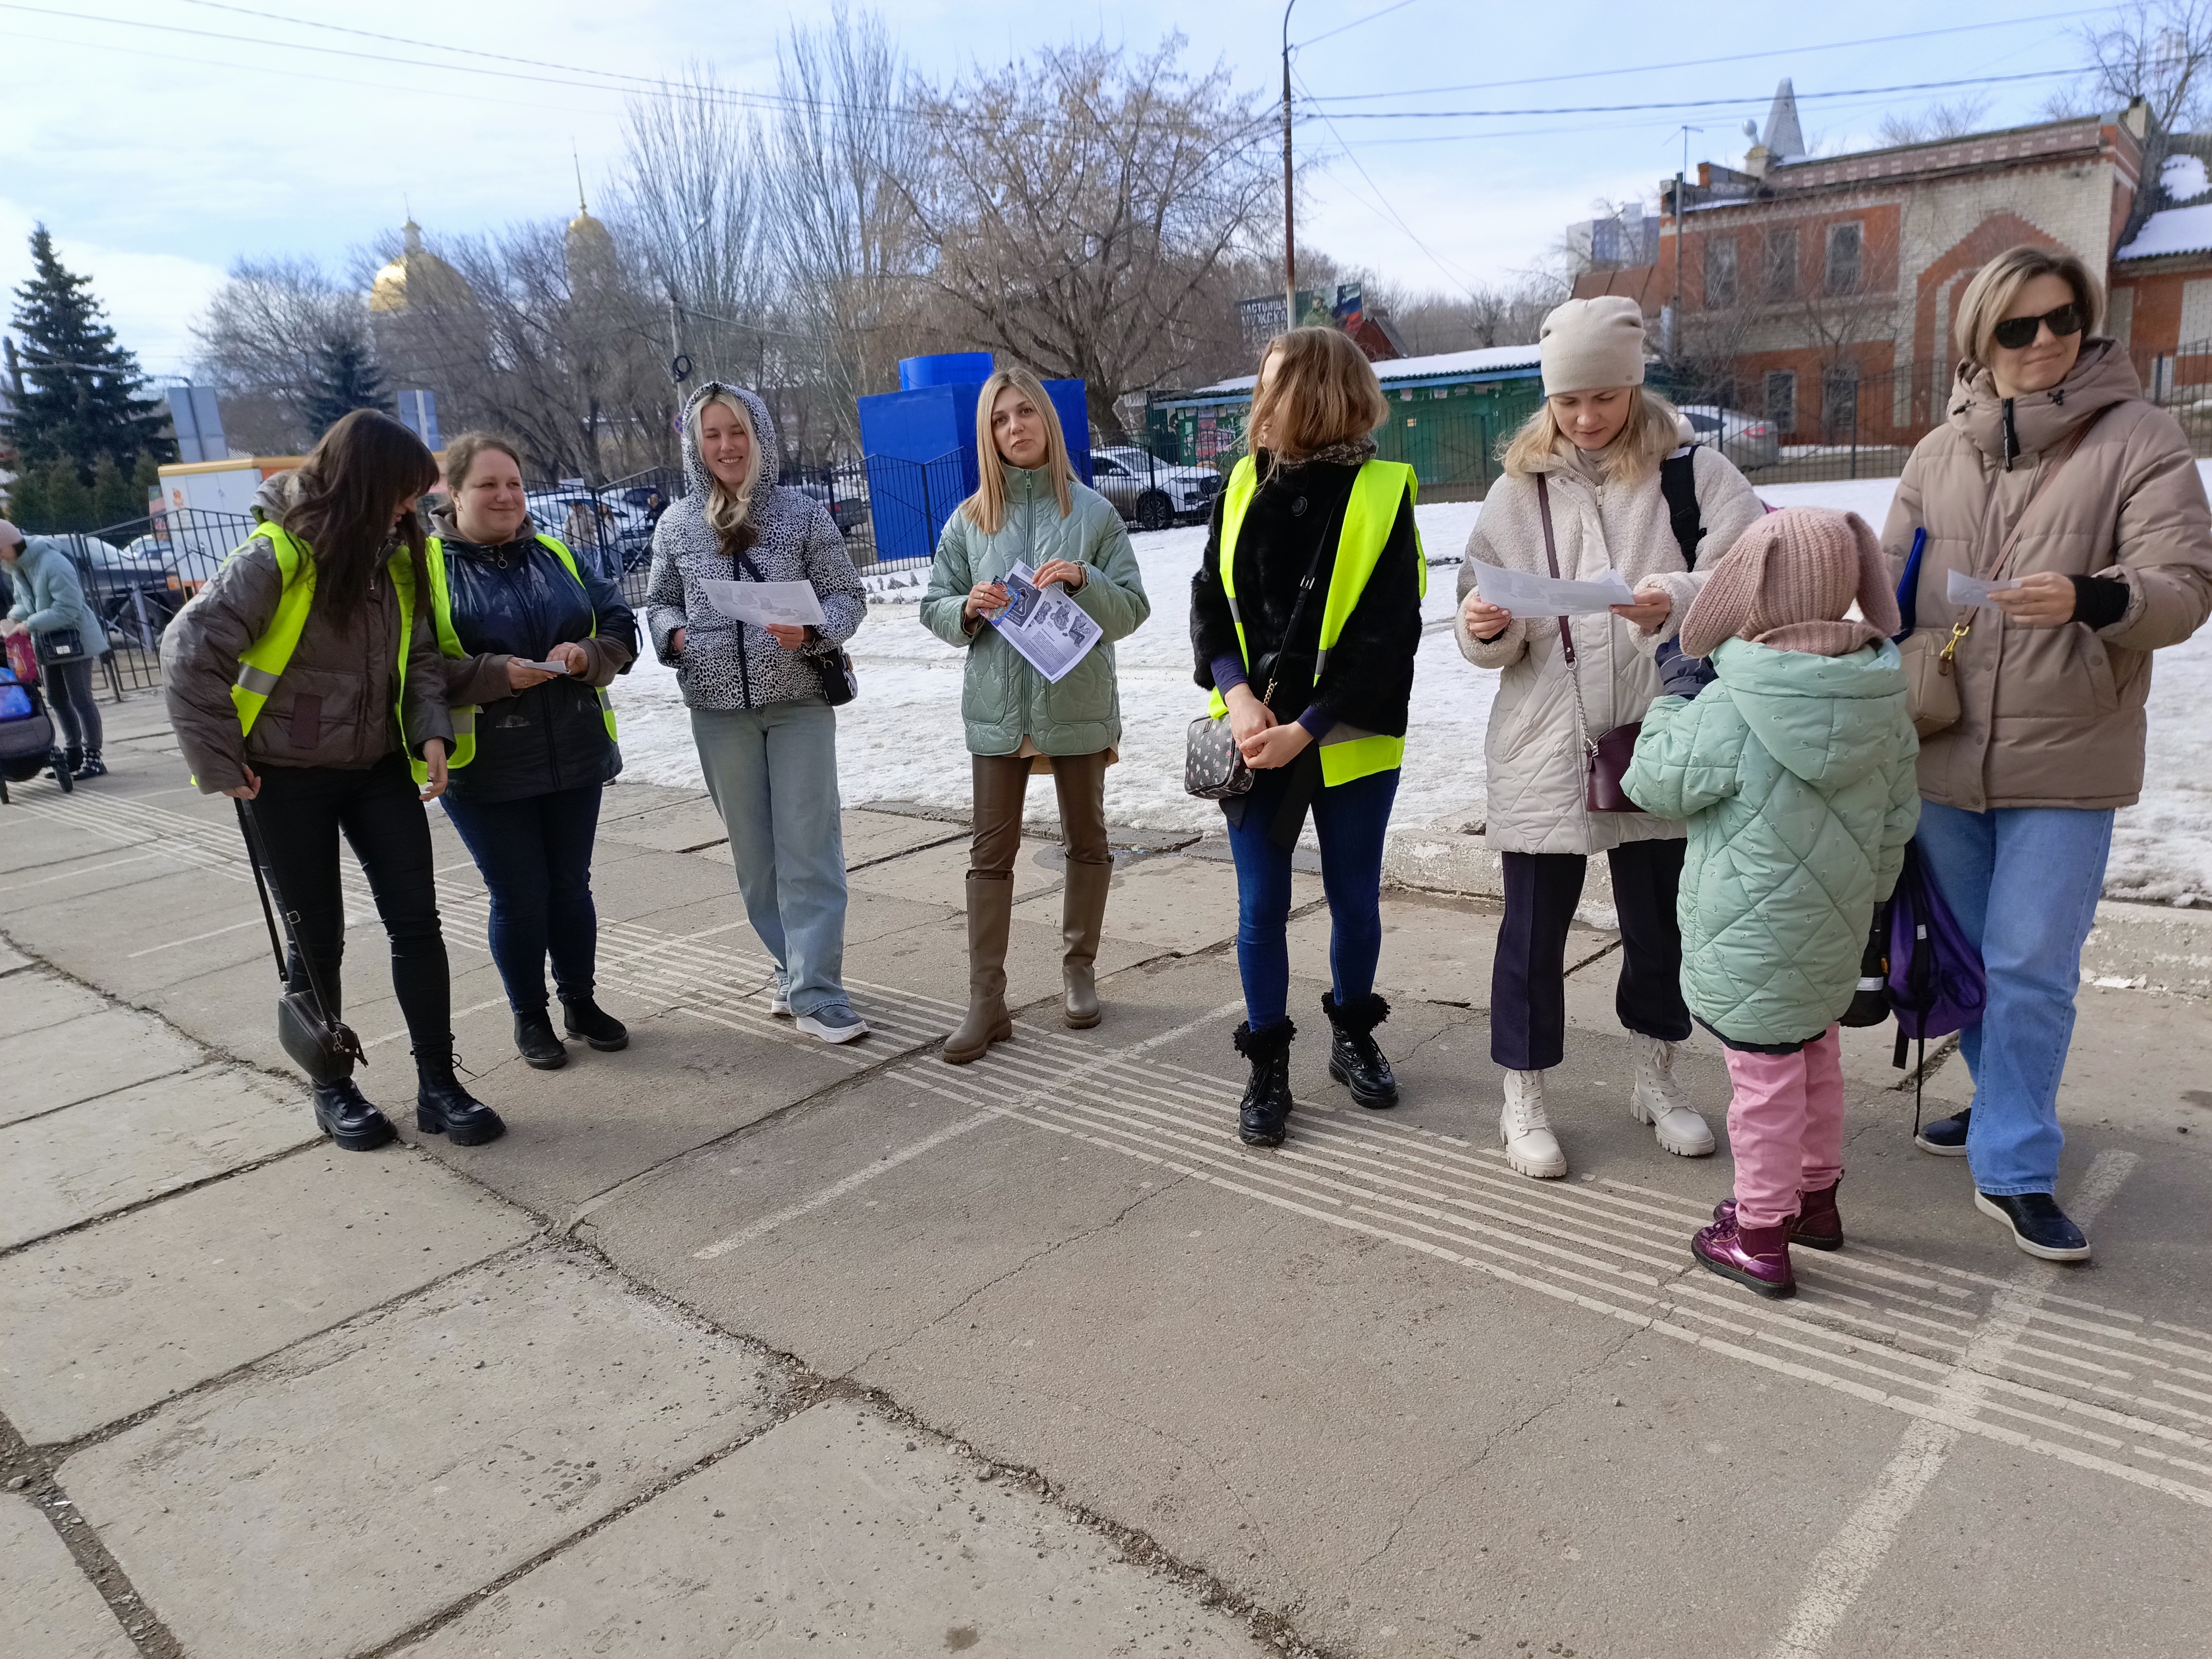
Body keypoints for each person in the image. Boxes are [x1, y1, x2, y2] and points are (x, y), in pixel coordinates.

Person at [1883, 245, 2212, 1261]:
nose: (2044, 343)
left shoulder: (2140, 437)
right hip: (1944, 746)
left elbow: (2184, 586)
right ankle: (2001, 1109)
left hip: (2068, 752)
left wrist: (2095, 596)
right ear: (1981, 337)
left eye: (2062, 319)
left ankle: (2017, 1164)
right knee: (1975, 963)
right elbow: (1885, 586)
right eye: (2018, 327)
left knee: (2032, 962)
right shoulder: (1938, 454)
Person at [1456, 296, 1765, 1180]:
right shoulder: (1515, 488)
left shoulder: (1691, 474)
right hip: (1542, 740)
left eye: (1603, 396)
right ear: (1545, 400)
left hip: (1661, 732)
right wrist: (1483, 622)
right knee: (1530, 934)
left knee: (1660, 924)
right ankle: (1522, 1095)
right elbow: (1480, 623)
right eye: (1567, 401)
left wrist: (1673, 593)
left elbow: (1759, 576)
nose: (1585, 418)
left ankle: (1655, 1079)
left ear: (1635, 384)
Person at [162, 409, 503, 1151]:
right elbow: (189, 650)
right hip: (282, 778)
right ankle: (332, 1086)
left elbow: (418, 658)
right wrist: (222, 763)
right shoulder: (276, 553)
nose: (412, 508)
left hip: (378, 766)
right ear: (363, 485)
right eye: (402, 493)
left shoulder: (399, 554)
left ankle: (439, 1084)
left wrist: (432, 734)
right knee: (316, 938)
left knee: (418, 923)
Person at [1624, 509, 1920, 1298]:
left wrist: (1674, 698)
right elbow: (1897, 818)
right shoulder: (1879, 694)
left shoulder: (1731, 700)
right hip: (1835, 920)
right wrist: (1869, 896)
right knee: (1814, 1058)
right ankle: (1813, 1202)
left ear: (1747, 592)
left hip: (1745, 930)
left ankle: (1757, 1231)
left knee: (1760, 1081)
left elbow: (1652, 783)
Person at [1190, 327, 1426, 1147]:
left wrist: (1307, 728)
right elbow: (1208, 604)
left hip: (1347, 739)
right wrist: (1238, 695)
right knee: (1260, 908)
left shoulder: (1383, 491)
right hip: (1254, 738)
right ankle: (1267, 1063)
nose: (1256, 404)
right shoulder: (1240, 483)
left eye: (1271, 387)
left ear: (1315, 396)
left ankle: (1352, 1033)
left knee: (1354, 900)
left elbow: (1386, 637)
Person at [921, 367, 1150, 1061]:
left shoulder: (1093, 514)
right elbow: (934, 603)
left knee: (1088, 838)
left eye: (1025, 413)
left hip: (1076, 702)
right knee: (990, 855)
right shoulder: (969, 519)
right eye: (999, 418)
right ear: (987, 434)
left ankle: (1080, 971)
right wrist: (965, 608)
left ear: (1046, 421)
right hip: (997, 713)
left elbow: (1133, 610)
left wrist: (1086, 579)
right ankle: (986, 1000)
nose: (1014, 427)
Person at [644, 383, 869, 1043]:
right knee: (756, 858)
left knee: (809, 848)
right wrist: (676, 638)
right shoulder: (677, 523)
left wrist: (818, 630)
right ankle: (790, 971)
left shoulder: (801, 515)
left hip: (798, 702)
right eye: (712, 435)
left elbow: (847, 595)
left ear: (760, 436)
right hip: (716, 711)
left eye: (737, 431)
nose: (726, 446)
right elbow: (659, 602)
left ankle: (821, 993)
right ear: (695, 445)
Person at [427, 432, 638, 1069]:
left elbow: (621, 624)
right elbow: (411, 667)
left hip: (574, 748)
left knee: (571, 888)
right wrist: (495, 675)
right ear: (454, 494)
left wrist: (587, 655)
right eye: (488, 485)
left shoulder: (557, 554)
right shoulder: (425, 569)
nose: (505, 496)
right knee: (519, 895)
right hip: (487, 764)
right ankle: (531, 1017)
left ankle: (580, 1000)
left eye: (514, 484)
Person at [0, 519, 106, 780]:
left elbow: (69, 608)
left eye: (0, 552)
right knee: (58, 699)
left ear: (11, 544)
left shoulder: (52, 563)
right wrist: (12, 620)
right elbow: (23, 603)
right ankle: (73, 755)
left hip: (75, 640)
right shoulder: (20, 567)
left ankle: (94, 757)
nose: (1, 559)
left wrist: (28, 625)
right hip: (49, 641)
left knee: (81, 699)